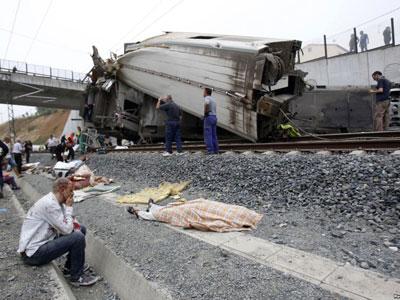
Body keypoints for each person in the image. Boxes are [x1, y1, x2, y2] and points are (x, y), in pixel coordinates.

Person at [18, 178, 99, 287]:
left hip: (42, 243)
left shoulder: (57, 202)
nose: (72, 194)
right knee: (78, 237)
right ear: (62, 189)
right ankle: (77, 277)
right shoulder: (50, 204)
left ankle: (69, 268)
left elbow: (71, 224)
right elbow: (66, 229)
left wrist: (69, 211)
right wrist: (69, 208)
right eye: (70, 190)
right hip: (33, 253)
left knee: (81, 229)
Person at [203, 88, 219, 154]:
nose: (203, 93)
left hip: (209, 117)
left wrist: (205, 113)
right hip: (214, 117)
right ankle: (216, 150)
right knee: (213, 135)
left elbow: (207, 103)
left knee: (208, 135)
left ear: (206, 92)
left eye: (203, 91)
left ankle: (210, 150)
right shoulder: (213, 99)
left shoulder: (207, 98)